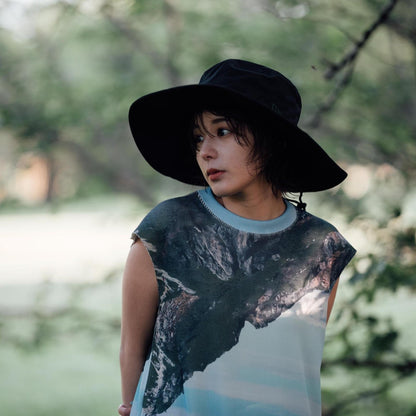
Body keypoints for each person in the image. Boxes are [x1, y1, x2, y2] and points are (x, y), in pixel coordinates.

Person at [118, 59, 356, 416]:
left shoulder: (322, 247)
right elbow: (131, 347)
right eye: (198, 137)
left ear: (271, 140)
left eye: (223, 131)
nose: (205, 151)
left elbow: (300, 361)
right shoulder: (166, 229)